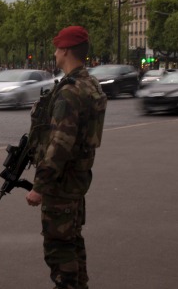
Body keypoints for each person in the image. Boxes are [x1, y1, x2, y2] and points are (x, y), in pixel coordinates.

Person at [25, 25, 107, 289]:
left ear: (65, 51)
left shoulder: (70, 92)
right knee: (72, 241)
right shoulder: (89, 83)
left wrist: (40, 187)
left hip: (61, 183)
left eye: (57, 48)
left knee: (58, 248)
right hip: (77, 177)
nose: (55, 53)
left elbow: (60, 143)